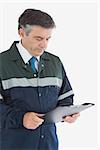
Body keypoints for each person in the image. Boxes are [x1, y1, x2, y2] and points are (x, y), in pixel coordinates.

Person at [0, 9, 80, 150]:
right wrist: (22, 119)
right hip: (13, 145)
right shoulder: (2, 63)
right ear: (21, 33)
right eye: (38, 38)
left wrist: (68, 112)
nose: (44, 45)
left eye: (47, 39)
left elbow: (66, 96)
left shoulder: (54, 62)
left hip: (48, 144)